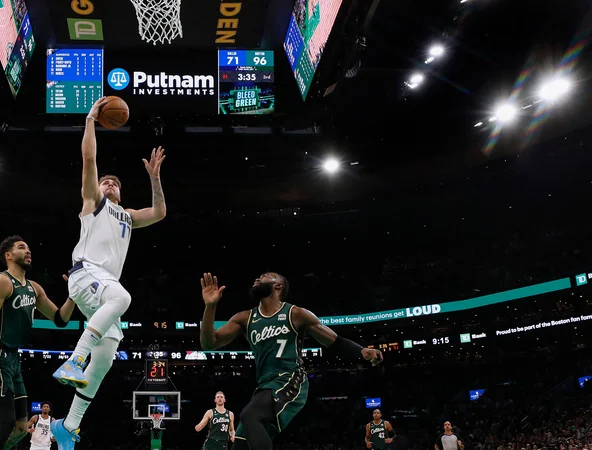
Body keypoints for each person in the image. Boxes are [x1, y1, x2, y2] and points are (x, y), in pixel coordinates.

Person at [50, 97, 168, 449]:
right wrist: (90, 118)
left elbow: (160, 212)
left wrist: (155, 178)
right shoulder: (92, 202)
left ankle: (67, 426)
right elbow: (90, 159)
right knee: (123, 296)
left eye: (116, 182)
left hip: (102, 288)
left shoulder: (128, 216)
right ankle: (73, 360)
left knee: (108, 352)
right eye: (106, 181)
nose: (111, 183)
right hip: (86, 273)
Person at [199, 272, 384, 450]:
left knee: (249, 415)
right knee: (241, 443)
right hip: (265, 386)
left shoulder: (295, 314)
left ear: (277, 286)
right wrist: (210, 307)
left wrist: (362, 351)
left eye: (264, 276)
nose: (257, 278)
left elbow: (334, 341)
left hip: (291, 379)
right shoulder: (245, 318)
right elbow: (209, 343)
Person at [0, 236, 76, 450]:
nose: (28, 251)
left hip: (13, 358)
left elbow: (60, 319)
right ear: (8, 256)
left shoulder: (34, 288)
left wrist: (73, 294)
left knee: (21, 428)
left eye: (29, 248)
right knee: (5, 421)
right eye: (22, 248)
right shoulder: (1, 282)